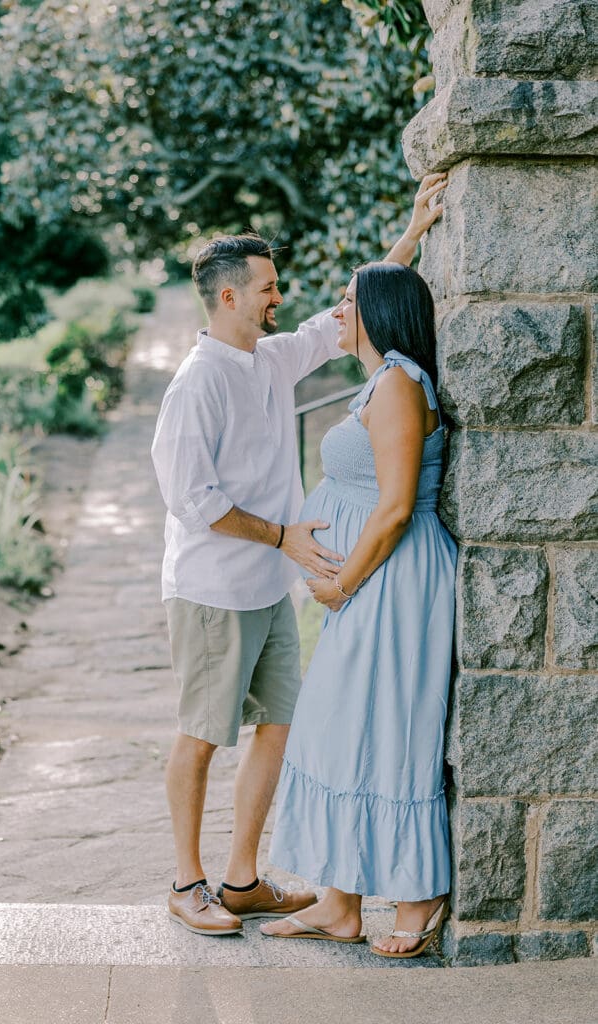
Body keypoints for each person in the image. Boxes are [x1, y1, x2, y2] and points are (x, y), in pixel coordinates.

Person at [151, 175, 447, 937]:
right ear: (227, 298)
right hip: (213, 590)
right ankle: (188, 883)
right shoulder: (196, 385)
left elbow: (352, 317)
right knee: (201, 733)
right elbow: (193, 500)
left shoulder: (266, 360)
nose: (279, 298)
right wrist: (286, 537)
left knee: (278, 729)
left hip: (269, 589)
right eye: (267, 288)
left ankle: (243, 880)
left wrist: (411, 233)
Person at [261, 261, 457, 956]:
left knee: (392, 727)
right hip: (368, 582)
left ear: (378, 311)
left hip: (392, 583)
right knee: (338, 727)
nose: (336, 312)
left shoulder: (401, 383)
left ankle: (416, 894)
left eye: (347, 302)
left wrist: (341, 584)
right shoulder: (383, 379)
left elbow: (397, 506)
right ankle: (339, 902)